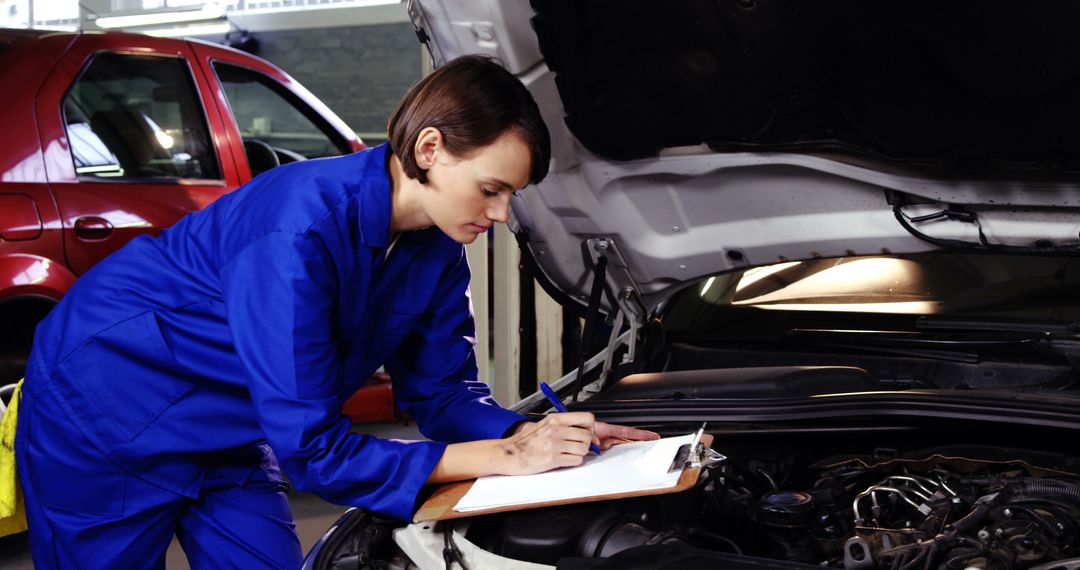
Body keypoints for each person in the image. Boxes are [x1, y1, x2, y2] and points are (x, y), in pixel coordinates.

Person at [14, 55, 657, 569]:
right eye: (491, 190)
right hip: (103, 411)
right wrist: (501, 460)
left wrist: (529, 436)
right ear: (429, 149)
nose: (499, 216)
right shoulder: (297, 231)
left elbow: (441, 392)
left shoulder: (436, 254)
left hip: (230, 432)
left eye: (510, 196)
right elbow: (315, 451)